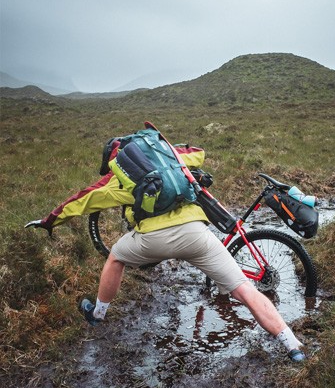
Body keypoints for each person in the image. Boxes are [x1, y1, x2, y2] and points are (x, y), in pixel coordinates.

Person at [26, 134, 306, 363]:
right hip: (196, 233)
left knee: (115, 258)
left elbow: (81, 201)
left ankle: (97, 313)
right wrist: (169, 148)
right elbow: (198, 152)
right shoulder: (171, 159)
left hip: (151, 240)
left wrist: (49, 220)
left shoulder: (116, 178)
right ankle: (292, 345)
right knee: (245, 290)